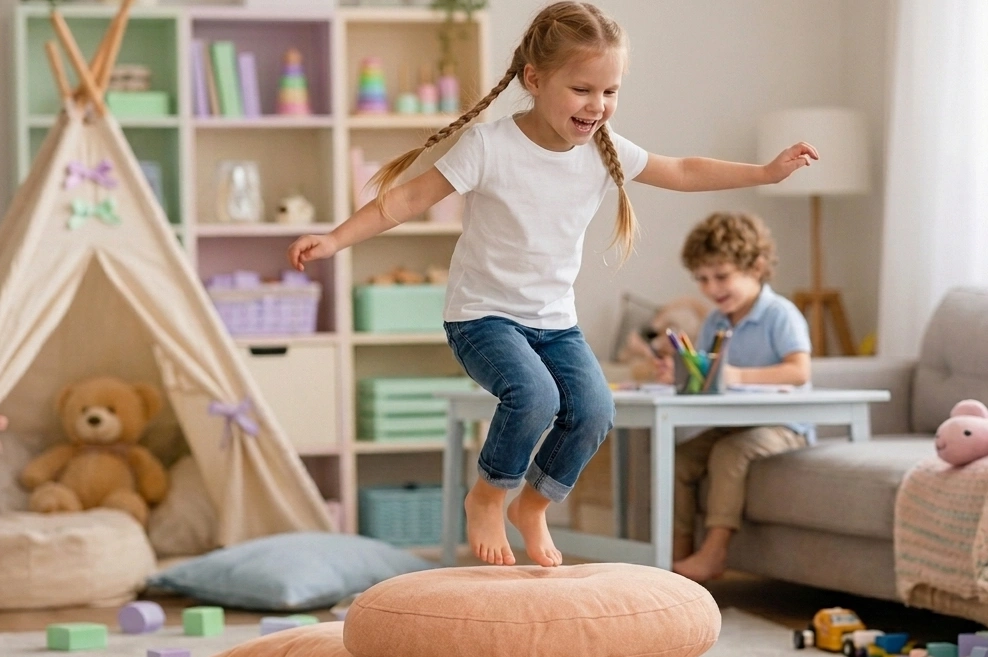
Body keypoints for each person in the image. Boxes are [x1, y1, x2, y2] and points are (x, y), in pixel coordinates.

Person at [287, 1, 818, 568]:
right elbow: (411, 198)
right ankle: (489, 497)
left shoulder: (601, 153)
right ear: (534, 79)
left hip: (554, 322)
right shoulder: (490, 146)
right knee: (534, 397)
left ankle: (533, 505)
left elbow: (683, 170)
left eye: (610, 92)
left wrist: (763, 173)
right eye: (583, 89)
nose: (598, 106)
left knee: (592, 408)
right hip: (482, 317)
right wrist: (336, 240)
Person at [673, 211, 813, 582]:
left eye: (721, 276)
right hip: (733, 424)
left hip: (783, 425)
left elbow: (799, 371)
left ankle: (714, 553)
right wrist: (682, 373)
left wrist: (736, 375)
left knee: (729, 454)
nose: (712, 288)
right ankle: (677, 554)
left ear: (756, 267)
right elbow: (704, 373)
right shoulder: (716, 321)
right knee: (680, 459)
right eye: (702, 279)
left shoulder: (780, 314)